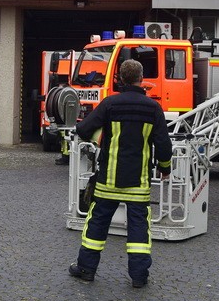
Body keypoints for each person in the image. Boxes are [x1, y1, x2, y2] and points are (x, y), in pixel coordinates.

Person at [68, 59, 172, 289]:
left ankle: (86, 269)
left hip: (108, 181)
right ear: (141, 78)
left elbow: (84, 129)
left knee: (97, 224)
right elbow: (163, 144)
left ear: (120, 79)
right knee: (138, 228)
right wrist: (165, 168)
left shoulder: (110, 104)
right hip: (138, 182)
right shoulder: (153, 108)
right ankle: (138, 276)